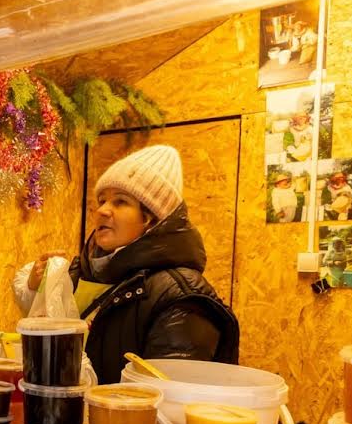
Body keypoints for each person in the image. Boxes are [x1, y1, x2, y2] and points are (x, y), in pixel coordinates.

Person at [14, 145, 239, 384]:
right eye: (102, 200)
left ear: (151, 218)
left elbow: (167, 396)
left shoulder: (182, 297)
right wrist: (37, 289)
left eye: (120, 202)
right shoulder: (80, 273)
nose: (102, 210)